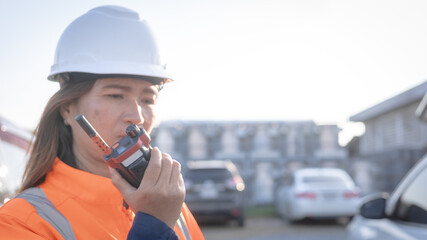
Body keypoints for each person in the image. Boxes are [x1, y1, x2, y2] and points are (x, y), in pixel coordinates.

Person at [0, 5, 204, 240]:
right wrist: (153, 228)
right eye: (116, 95)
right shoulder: (23, 223)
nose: (137, 117)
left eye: (147, 99)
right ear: (67, 108)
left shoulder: (169, 206)